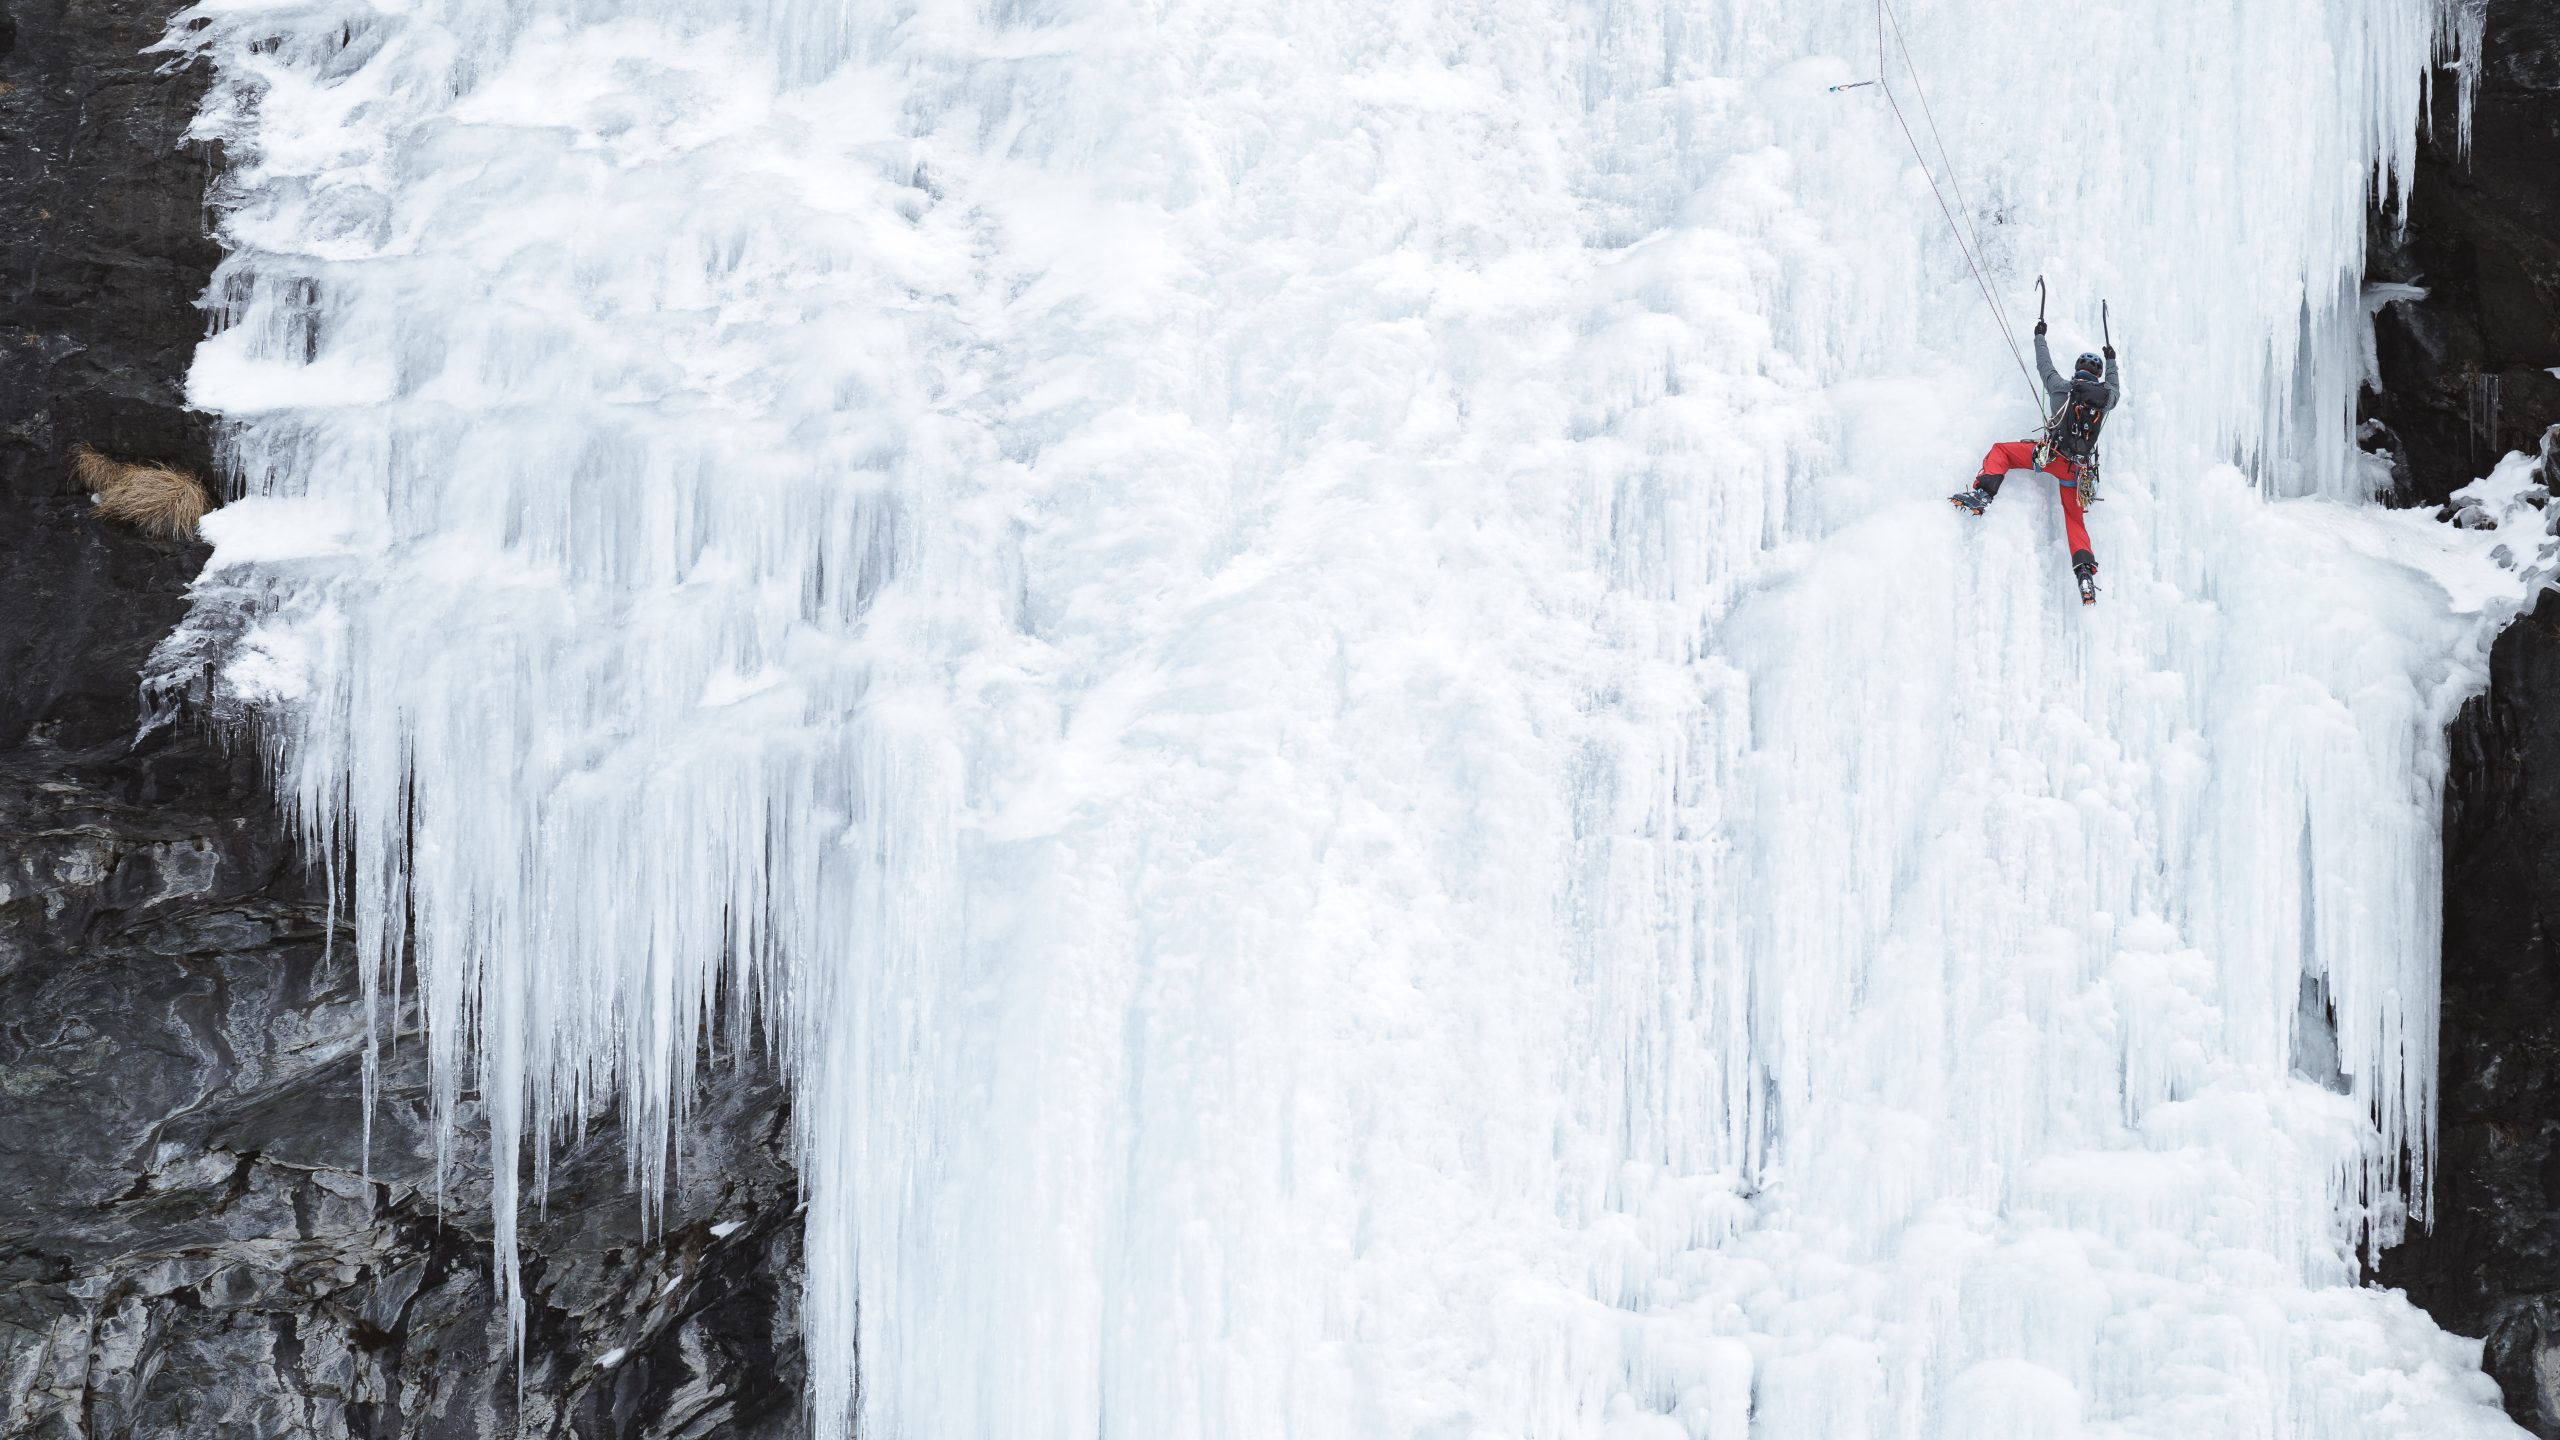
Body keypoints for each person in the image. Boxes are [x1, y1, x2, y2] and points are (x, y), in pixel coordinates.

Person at [1950, 318, 2122, 603]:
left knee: (2001, 451)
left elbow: (2044, 364)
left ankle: (1983, 494)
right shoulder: (2107, 399)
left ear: (2078, 370)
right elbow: (2115, 386)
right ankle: (2085, 573)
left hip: (2050, 457)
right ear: (2099, 374)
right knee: (2074, 519)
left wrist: (2039, 336)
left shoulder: (2060, 388)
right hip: (2078, 473)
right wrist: (2112, 359)